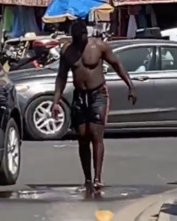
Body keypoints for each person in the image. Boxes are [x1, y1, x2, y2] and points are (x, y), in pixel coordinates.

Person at [51, 20, 136, 191]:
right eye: (74, 38)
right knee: (82, 137)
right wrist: (55, 100)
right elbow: (61, 76)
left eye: (80, 37)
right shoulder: (67, 50)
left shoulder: (99, 46)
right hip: (80, 95)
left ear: (85, 34)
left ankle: (98, 178)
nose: (78, 41)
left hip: (98, 94)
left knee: (96, 135)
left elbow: (117, 64)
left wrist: (130, 85)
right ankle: (87, 179)